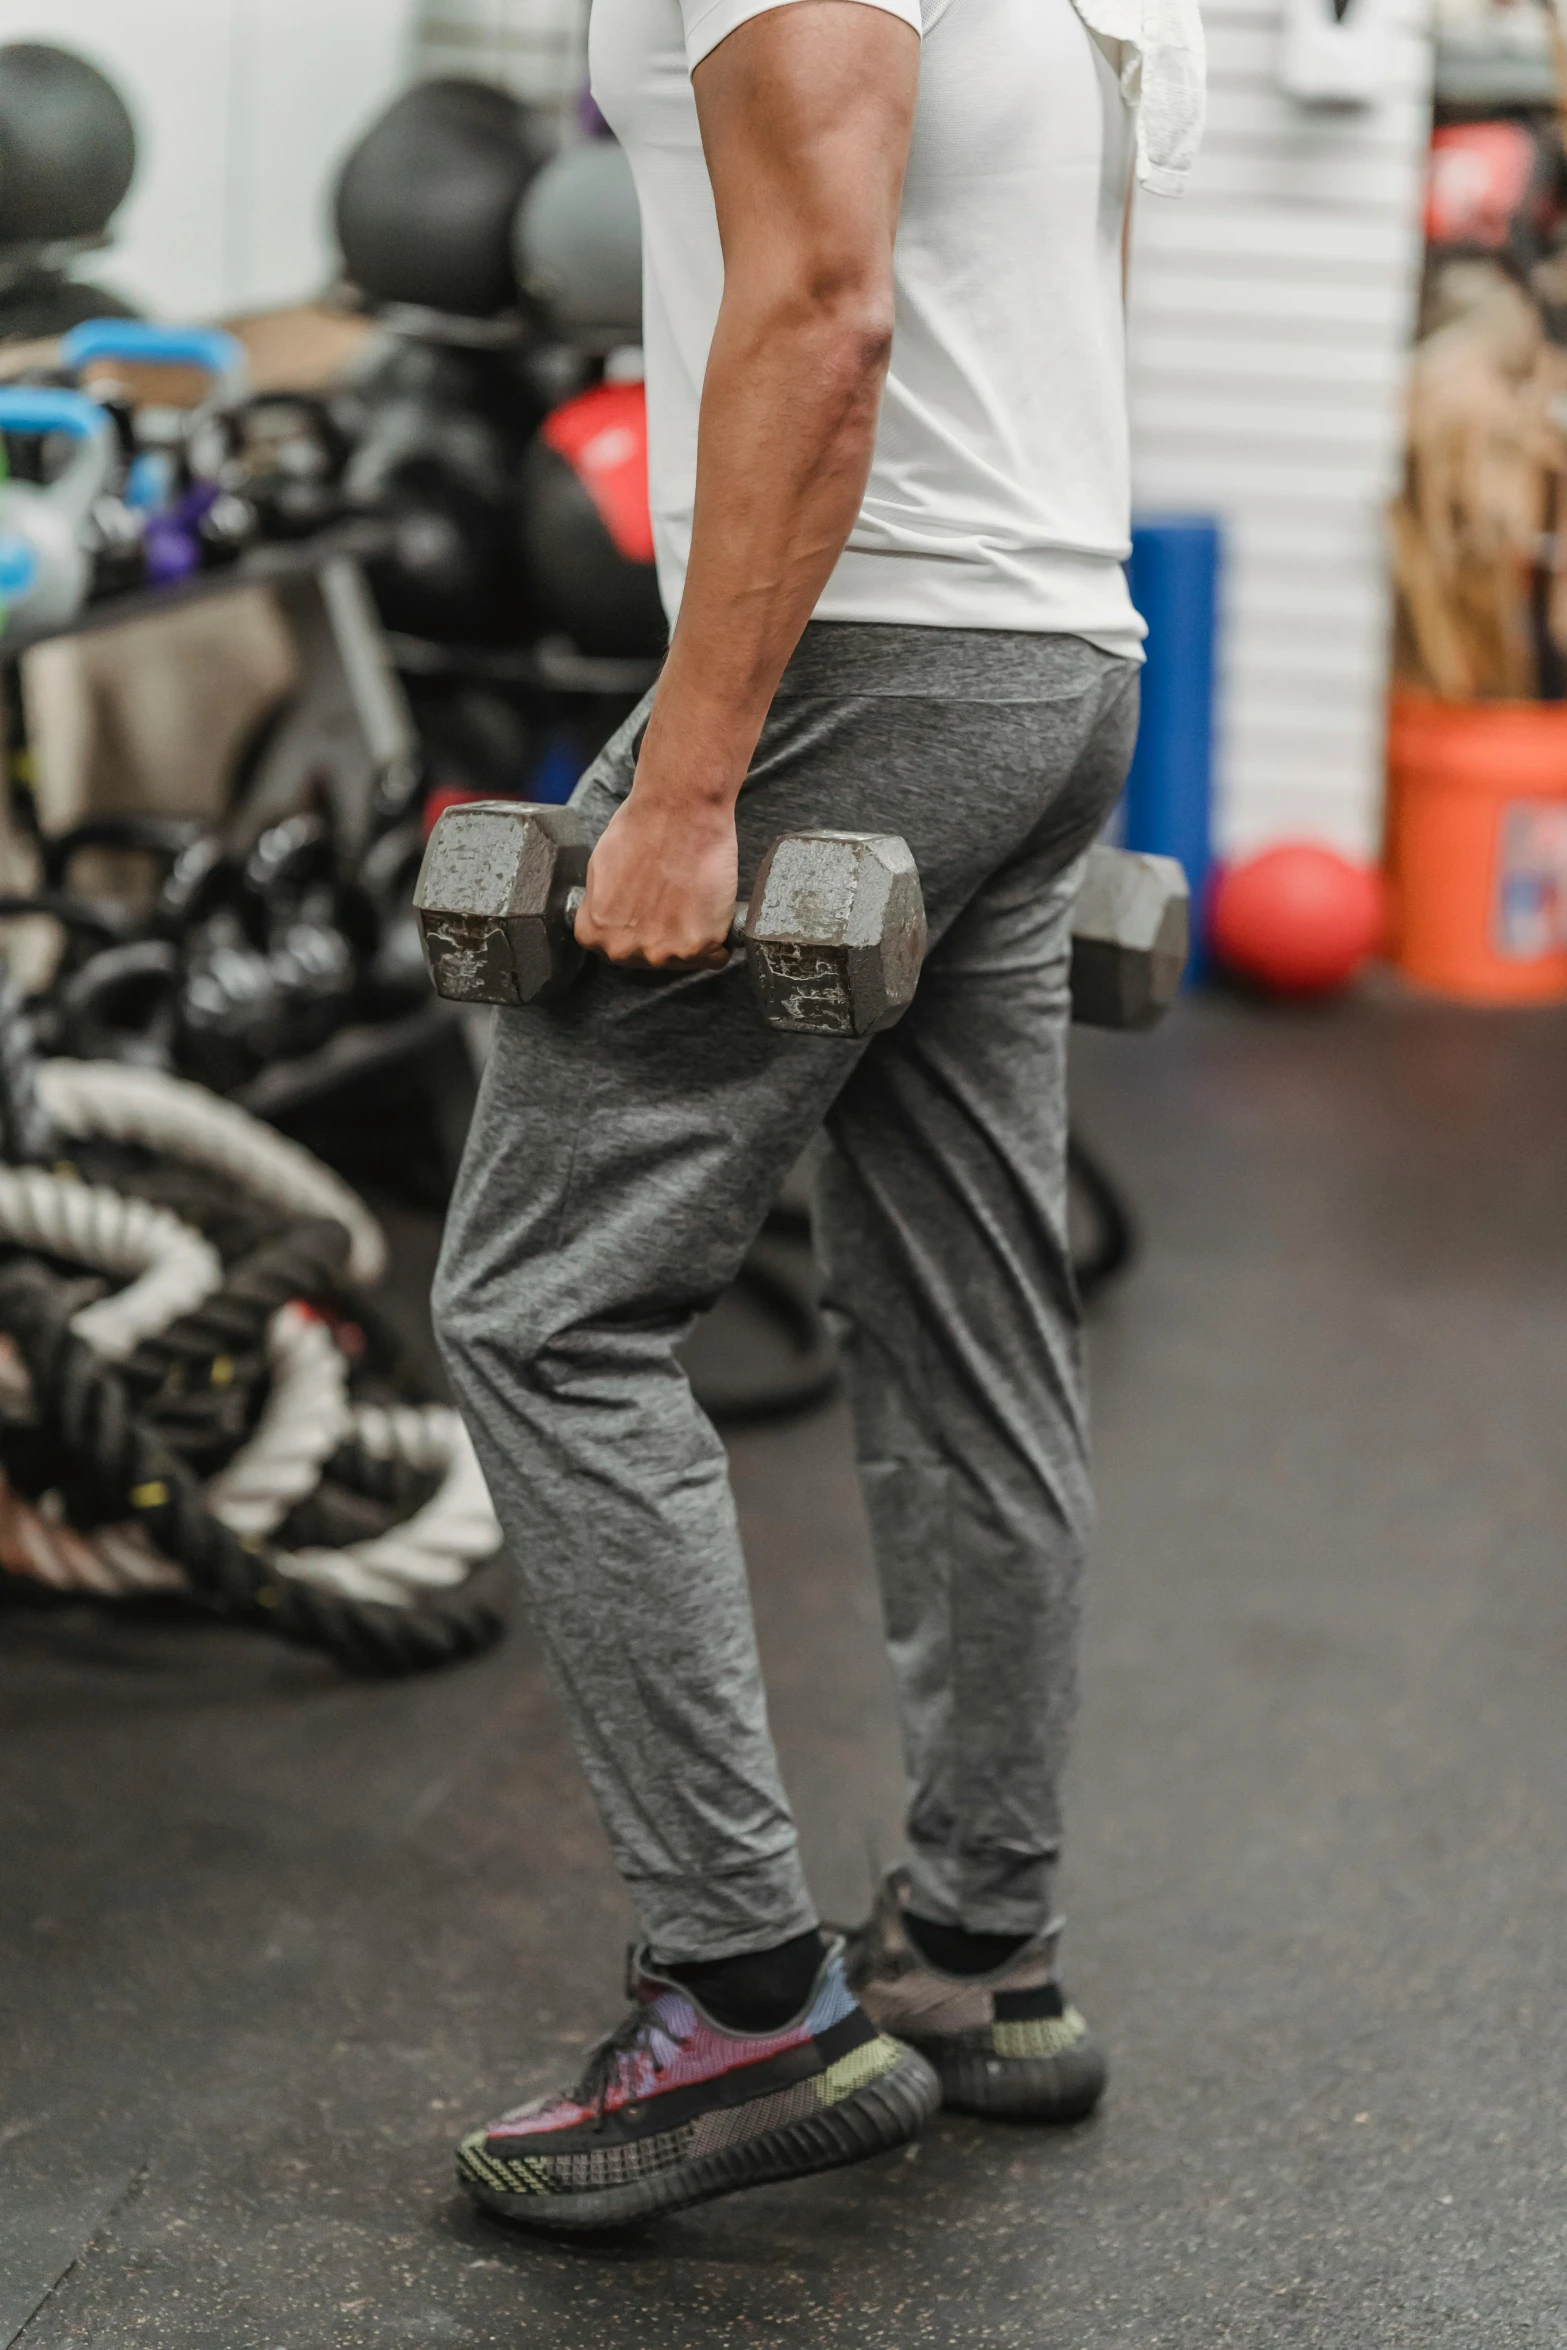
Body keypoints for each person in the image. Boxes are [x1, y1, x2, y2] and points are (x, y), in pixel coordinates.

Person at [435, 0, 1203, 2234]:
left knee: (541, 1304)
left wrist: (687, 781)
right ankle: (978, 1954)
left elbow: (829, 305)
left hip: (877, 650)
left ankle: (747, 1988)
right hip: (1053, 638)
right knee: (968, 1310)